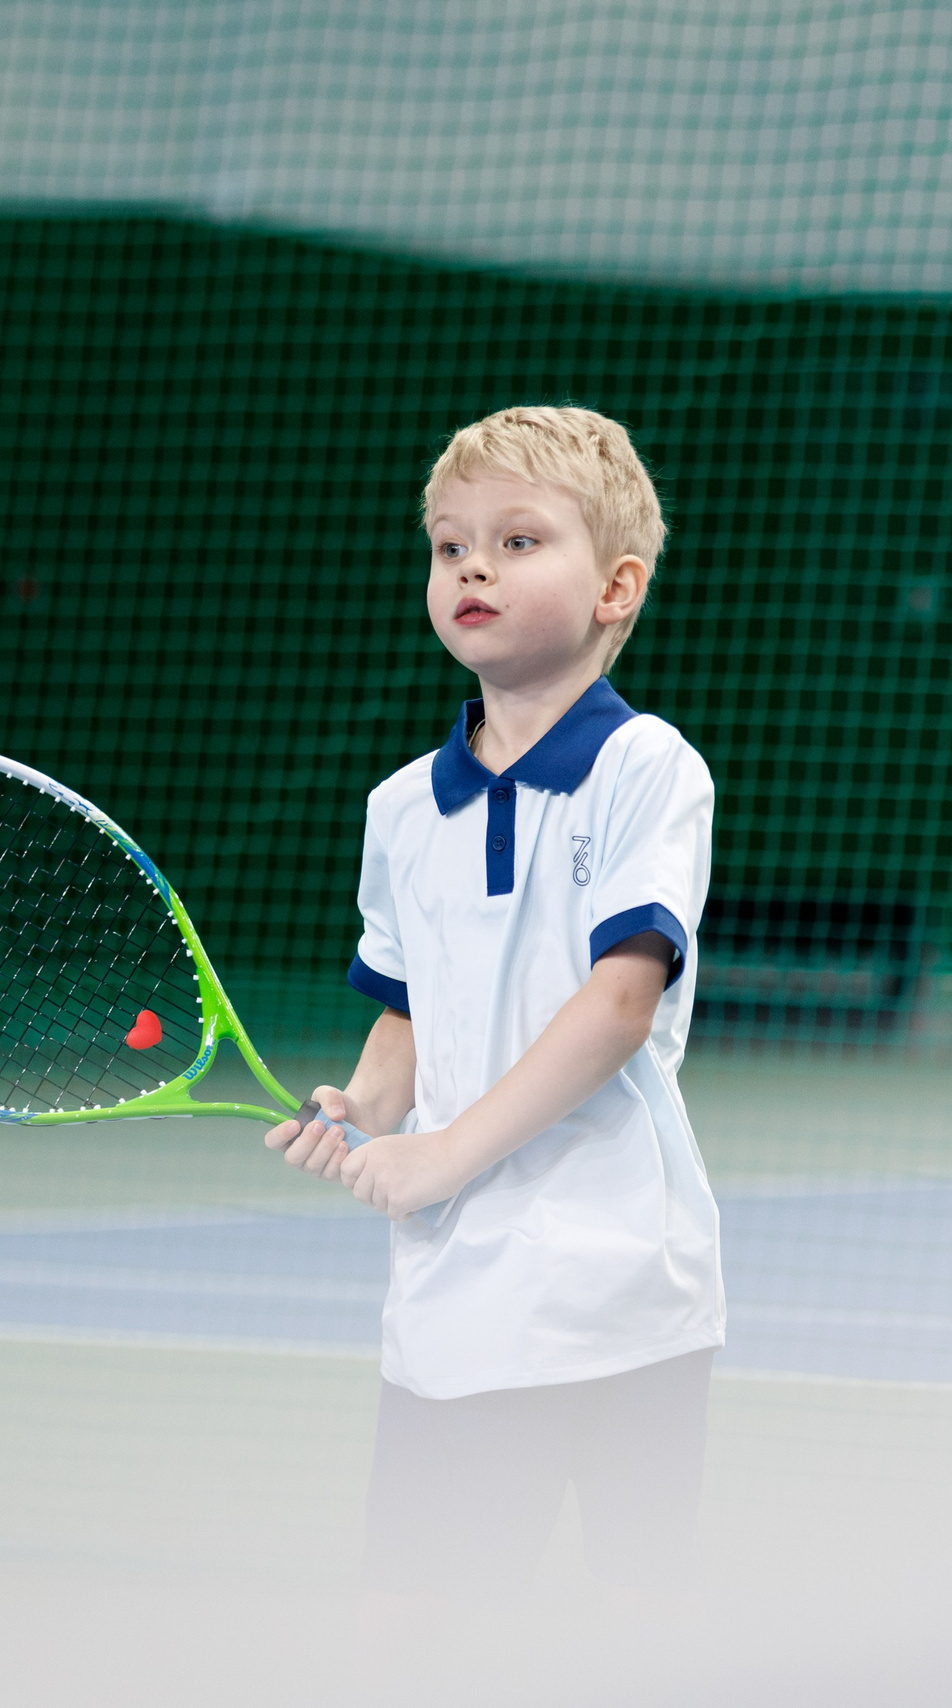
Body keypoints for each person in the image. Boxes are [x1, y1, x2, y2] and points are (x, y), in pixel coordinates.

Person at [264, 404, 723, 1601]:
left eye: (520, 541)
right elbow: (414, 999)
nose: (473, 565)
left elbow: (621, 1001)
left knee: (642, 1631)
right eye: (450, 543)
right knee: (422, 1633)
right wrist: (366, 1103)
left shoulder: (647, 769)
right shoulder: (401, 808)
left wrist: (441, 1155)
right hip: (451, 1309)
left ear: (616, 587)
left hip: (627, 1297)